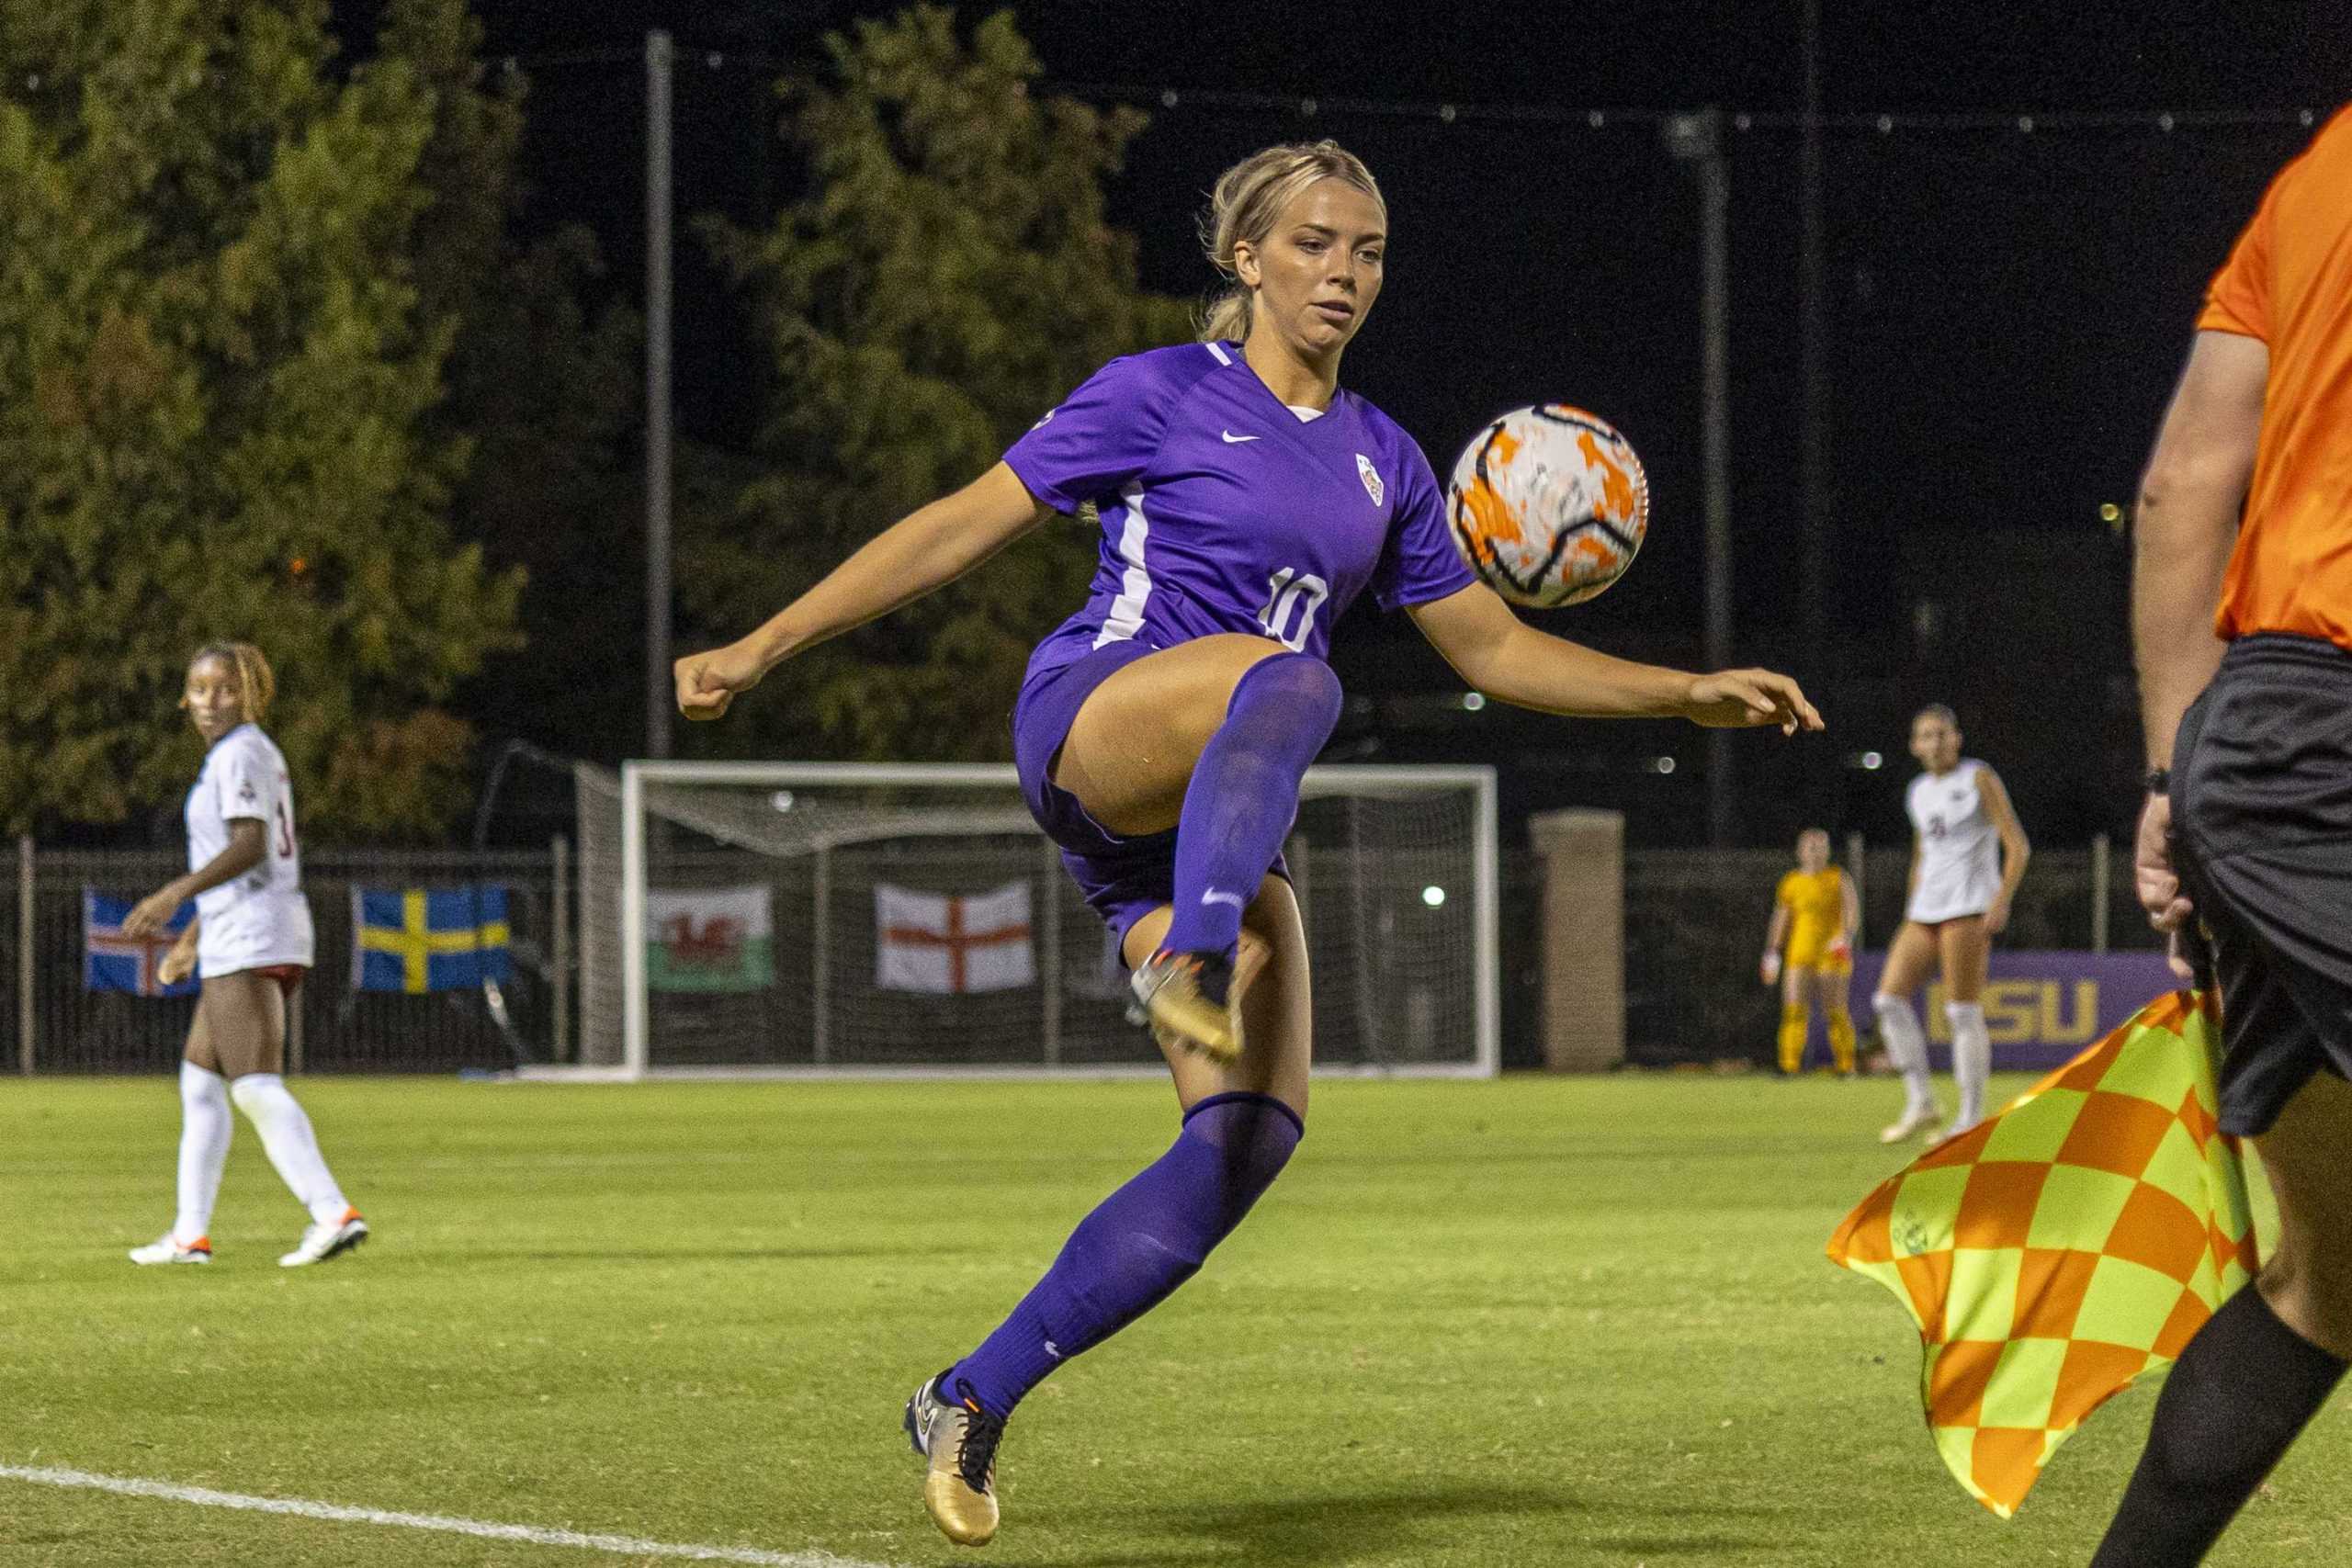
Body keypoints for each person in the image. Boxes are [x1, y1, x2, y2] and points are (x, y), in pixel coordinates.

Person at [673, 140, 1821, 1549]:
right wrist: (765, 642)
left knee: (1245, 1140)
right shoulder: (1159, 391)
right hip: (1101, 718)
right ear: (1250, 257)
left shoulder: (1388, 457)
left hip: (1218, 797)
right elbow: (958, 528)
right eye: (1318, 244)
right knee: (1297, 677)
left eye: (1370, 251)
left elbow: (1495, 646)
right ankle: (1196, 957)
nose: (1345, 272)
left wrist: (1685, 691)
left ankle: (968, 1394)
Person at [2093, 107, 2352, 1568]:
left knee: (2335, 1279)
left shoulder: (2317, 176)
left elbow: (2187, 482)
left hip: (2258, 746)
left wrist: (2175, 778)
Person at [122, 643, 368, 1269]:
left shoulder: (242, 752)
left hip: (256, 931)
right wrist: (191, 938)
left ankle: (332, 1211)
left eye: (225, 688)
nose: (210, 701)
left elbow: (251, 845)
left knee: (254, 1085)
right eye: (199, 689)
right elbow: (242, 857)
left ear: (252, 693)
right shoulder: (234, 756)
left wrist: (175, 893)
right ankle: (189, 1235)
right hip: (241, 928)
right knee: (201, 1082)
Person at [1871, 705, 2029, 1142]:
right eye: (1926, 735)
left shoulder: (1978, 777)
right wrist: (1911, 902)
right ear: (1914, 745)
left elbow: (2017, 845)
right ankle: (1921, 1102)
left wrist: (2001, 900)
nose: (1935, 742)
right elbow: (1922, 854)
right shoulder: (1918, 790)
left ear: (1957, 738)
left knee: (1961, 1010)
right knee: (1889, 1001)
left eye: (1942, 733)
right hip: (1926, 908)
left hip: (1968, 906)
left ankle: (1970, 1119)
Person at [1759, 827, 1859, 1075]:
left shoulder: (1837, 877)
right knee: (1794, 1010)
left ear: (1827, 851)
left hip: (1831, 953)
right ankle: (1788, 1064)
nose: (1815, 852)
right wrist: (1772, 952)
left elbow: (1851, 911)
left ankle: (1846, 1065)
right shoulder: (1791, 882)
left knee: (1835, 1010)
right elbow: (1781, 918)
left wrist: (1845, 938)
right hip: (1799, 952)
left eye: (1820, 847)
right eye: (1810, 847)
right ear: (1800, 851)